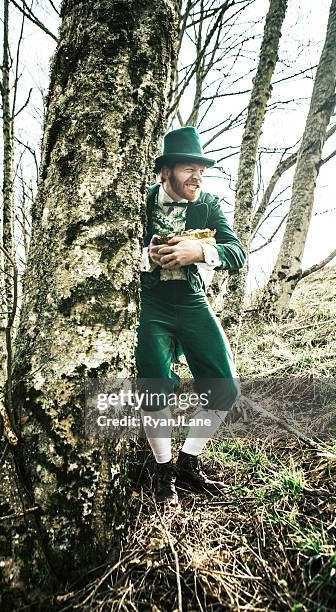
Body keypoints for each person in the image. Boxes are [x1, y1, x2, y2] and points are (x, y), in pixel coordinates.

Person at [135, 126, 246, 506]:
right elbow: (112, 251)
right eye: (188, 169)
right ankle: (162, 471)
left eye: (201, 170)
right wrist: (146, 258)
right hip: (151, 303)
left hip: (193, 299)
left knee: (225, 385)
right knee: (154, 385)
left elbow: (236, 252)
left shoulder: (208, 205)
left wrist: (197, 253)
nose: (197, 177)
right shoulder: (140, 201)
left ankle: (187, 462)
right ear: (165, 171)